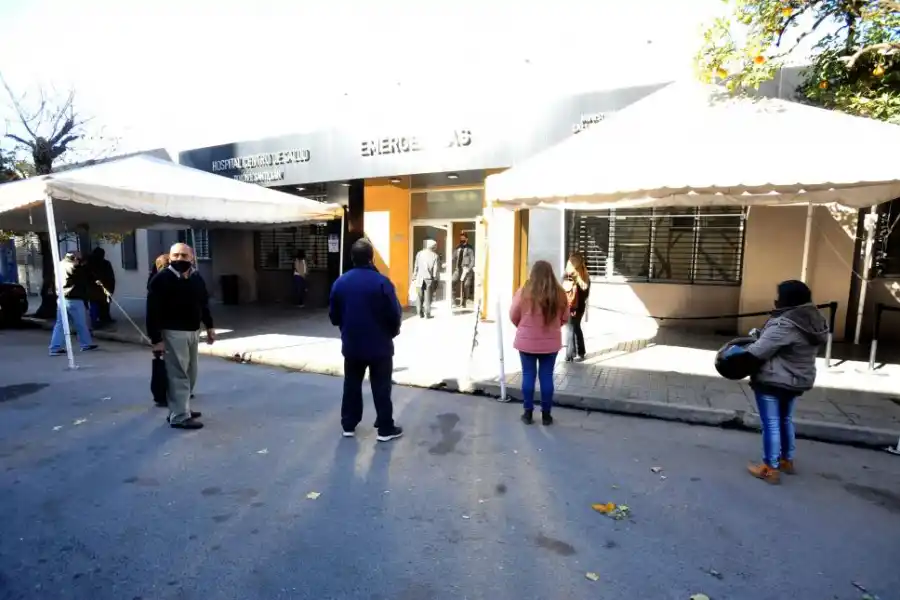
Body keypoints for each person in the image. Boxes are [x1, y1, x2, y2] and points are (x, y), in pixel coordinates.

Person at [727, 280, 828, 484]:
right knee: (784, 419)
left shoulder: (786, 323)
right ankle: (786, 460)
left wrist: (733, 358)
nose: (776, 300)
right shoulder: (814, 319)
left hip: (774, 379)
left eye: (779, 296)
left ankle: (769, 468)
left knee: (771, 423)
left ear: (788, 299)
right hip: (798, 378)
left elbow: (758, 351)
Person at [329, 238, 404, 442]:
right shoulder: (382, 282)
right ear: (371, 258)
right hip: (380, 346)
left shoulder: (340, 282)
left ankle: (348, 425)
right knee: (381, 386)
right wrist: (392, 332)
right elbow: (394, 314)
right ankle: (385, 428)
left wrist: (347, 327)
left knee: (351, 384)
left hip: (352, 345)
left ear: (352, 258)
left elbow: (334, 317)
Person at [146, 243, 215, 430]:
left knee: (191, 374)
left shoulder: (196, 277)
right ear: (170, 257)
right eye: (175, 255)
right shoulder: (161, 279)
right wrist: (156, 339)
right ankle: (179, 416)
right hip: (173, 333)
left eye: (184, 256)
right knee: (179, 375)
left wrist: (209, 326)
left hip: (194, 331)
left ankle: (179, 408)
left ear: (192, 258)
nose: (179, 259)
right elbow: (152, 312)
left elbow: (204, 303)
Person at [509, 260, 569, 425]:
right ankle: (546, 415)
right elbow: (565, 317)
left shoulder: (523, 292)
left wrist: (523, 327)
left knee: (528, 376)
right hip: (550, 344)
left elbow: (513, 314)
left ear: (532, 273)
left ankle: (528, 413)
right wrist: (554, 327)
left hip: (526, 342)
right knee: (547, 377)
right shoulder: (560, 293)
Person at [49, 251, 98, 356]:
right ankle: (86, 344)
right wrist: (82, 265)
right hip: (73, 297)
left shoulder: (61, 264)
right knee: (80, 323)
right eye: (79, 257)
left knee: (61, 324)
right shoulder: (72, 266)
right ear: (74, 258)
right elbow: (80, 274)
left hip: (62, 297)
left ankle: (55, 347)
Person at [562, 252, 590, 362]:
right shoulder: (585, 275)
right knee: (576, 327)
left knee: (570, 328)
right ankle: (581, 351)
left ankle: (569, 355)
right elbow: (586, 293)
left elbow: (562, 290)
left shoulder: (569, 275)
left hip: (571, 306)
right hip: (581, 306)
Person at [412, 239, 440, 319]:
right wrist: (435, 279)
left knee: (419, 296)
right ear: (433, 246)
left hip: (419, 279)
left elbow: (416, 266)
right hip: (429, 280)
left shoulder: (419, 253)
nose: (436, 247)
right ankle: (427, 314)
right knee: (428, 297)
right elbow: (435, 270)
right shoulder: (435, 256)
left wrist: (414, 276)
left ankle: (419, 313)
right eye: (435, 246)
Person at [87, 247, 115, 326]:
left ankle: (98, 320)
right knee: (99, 304)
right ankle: (99, 320)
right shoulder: (104, 263)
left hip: (96, 289)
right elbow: (110, 277)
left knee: (98, 304)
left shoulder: (89, 263)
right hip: (100, 288)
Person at [452, 232, 475, 308]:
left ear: (466, 239)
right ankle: (453, 302)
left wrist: (469, 268)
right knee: (452, 282)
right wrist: (447, 263)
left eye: (463, 239)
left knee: (466, 286)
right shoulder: (457, 248)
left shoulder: (470, 248)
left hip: (466, 270)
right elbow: (453, 257)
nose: (461, 240)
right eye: (460, 239)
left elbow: (472, 260)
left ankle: (464, 302)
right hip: (458, 269)